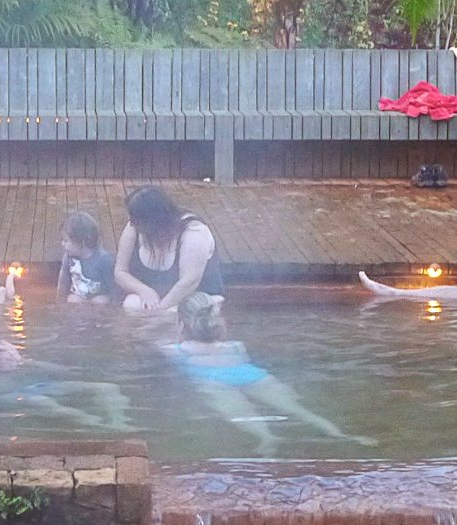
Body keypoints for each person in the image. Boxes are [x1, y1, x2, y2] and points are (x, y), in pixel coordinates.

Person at [160, 293, 367, 453]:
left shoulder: (174, 351)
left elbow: (157, 340)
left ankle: (267, 439)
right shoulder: (235, 347)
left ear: (182, 324)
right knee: (301, 410)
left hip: (213, 380)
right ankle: (341, 435)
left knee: (244, 414)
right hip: (252, 375)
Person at [0, 318, 134, 430]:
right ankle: (98, 426)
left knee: (107, 388)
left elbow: (50, 371)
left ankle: (119, 423)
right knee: (41, 401)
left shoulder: (1, 353)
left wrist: (21, 362)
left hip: (21, 389)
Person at [115, 185, 224, 313]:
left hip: (198, 300)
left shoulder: (194, 233)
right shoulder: (134, 228)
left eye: (135, 220)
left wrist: (158, 312)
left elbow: (189, 282)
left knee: (171, 314)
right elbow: (120, 272)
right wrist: (144, 290)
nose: (131, 224)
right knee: (131, 304)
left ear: (153, 221)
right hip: (158, 298)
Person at [57, 210, 116, 302]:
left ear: (82, 242)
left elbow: (115, 287)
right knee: (72, 299)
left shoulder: (104, 260)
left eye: (66, 240)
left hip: (97, 303)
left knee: (100, 301)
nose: (62, 244)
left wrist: (110, 300)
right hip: (78, 300)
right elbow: (63, 282)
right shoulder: (68, 257)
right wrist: (59, 302)